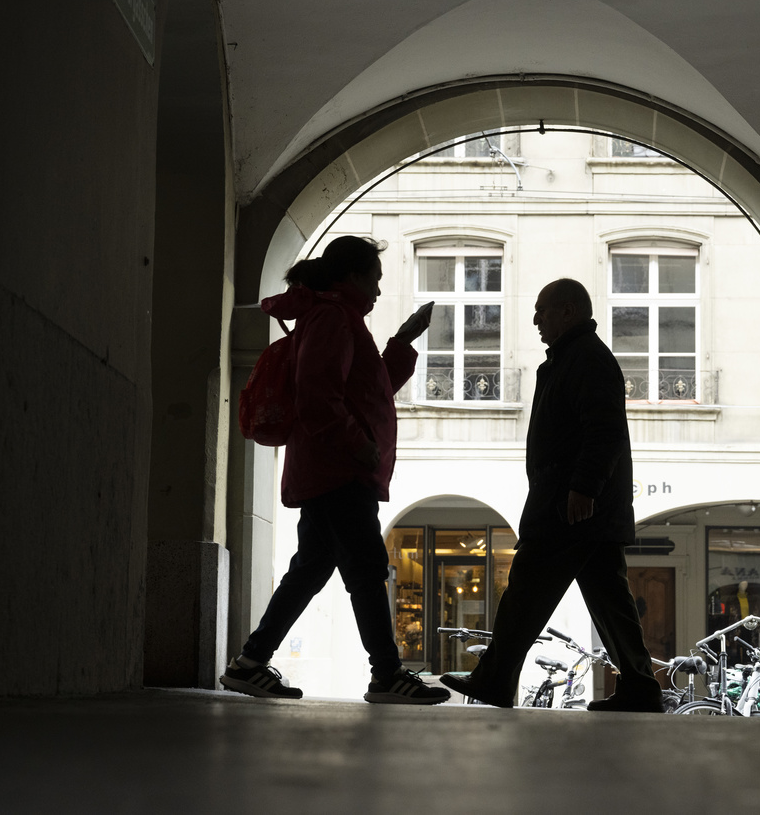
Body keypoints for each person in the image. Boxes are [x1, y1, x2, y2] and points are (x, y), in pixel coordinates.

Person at [220, 235, 449, 705]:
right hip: (339, 469)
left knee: (310, 569)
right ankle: (386, 674)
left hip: (332, 468)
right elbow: (318, 394)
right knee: (366, 569)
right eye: (375, 280)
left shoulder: (333, 316)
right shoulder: (332, 317)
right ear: (352, 276)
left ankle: (250, 663)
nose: (379, 292)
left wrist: (402, 342)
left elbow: (368, 387)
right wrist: (359, 444)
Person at [439, 278, 663, 712]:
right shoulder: (575, 358)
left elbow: (605, 432)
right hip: (578, 505)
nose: (536, 319)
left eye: (543, 310)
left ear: (568, 311)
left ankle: (496, 678)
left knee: (526, 590)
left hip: (569, 505)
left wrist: (583, 487)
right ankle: (640, 687)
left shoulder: (585, 359)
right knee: (610, 601)